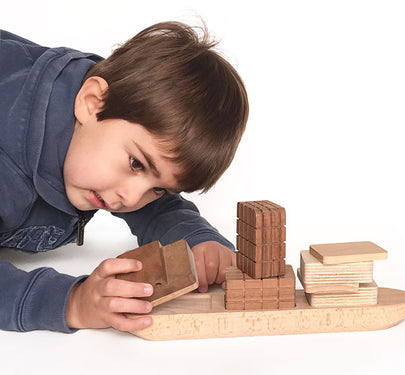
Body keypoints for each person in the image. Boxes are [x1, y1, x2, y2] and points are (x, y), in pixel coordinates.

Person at [0, 21, 248, 333]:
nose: (131, 198)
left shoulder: (115, 113)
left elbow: (157, 208)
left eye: (158, 188)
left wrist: (197, 240)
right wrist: (71, 302)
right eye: (135, 163)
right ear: (91, 103)